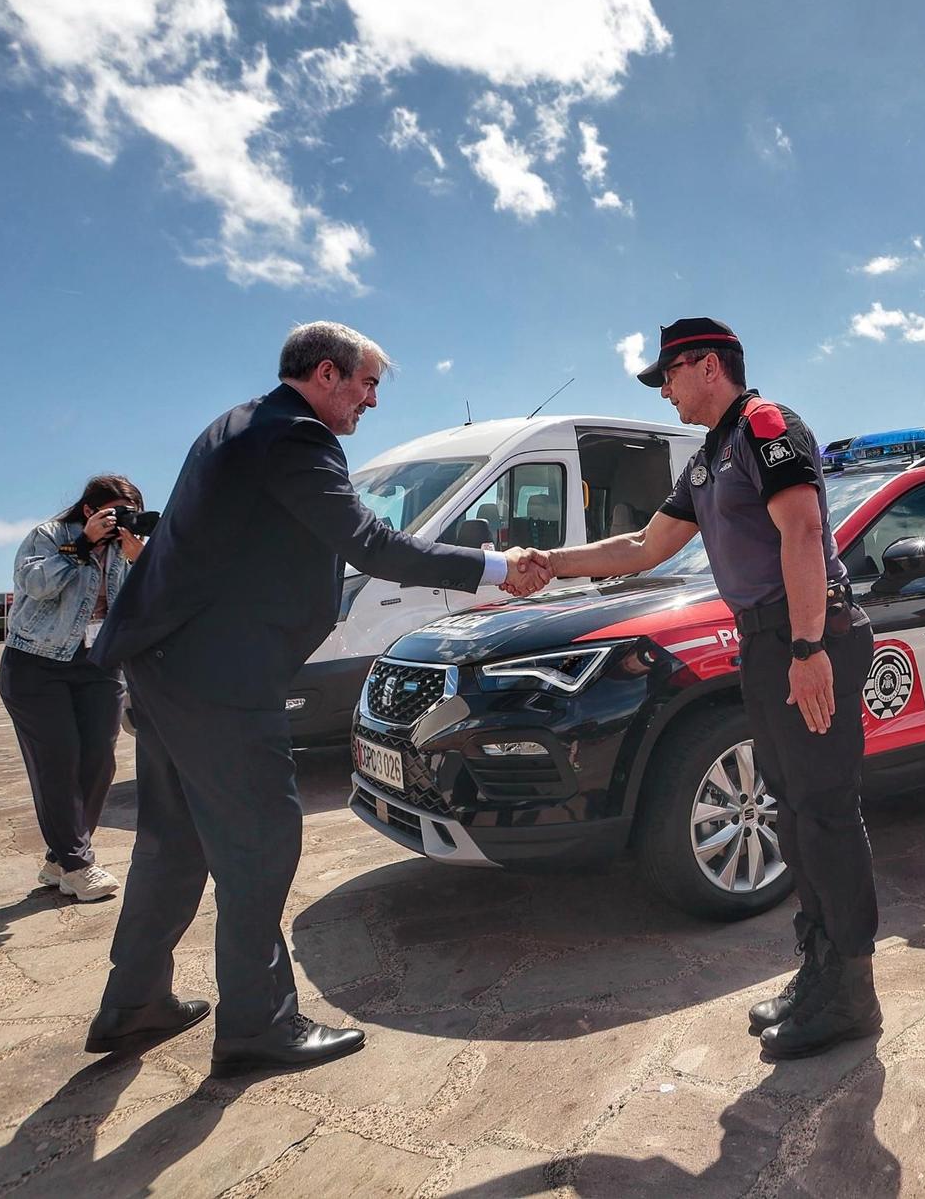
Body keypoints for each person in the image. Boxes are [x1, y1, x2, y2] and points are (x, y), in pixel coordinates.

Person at [84, 322, 546, 1073]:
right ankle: (257, 1026)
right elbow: (374, 544)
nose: (371, 399)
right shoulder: (296, 438)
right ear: (326, 374)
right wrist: (497, 565)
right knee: (262, 841)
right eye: (366, 383)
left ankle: (133, 1002)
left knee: (174, 841)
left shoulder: (236, 427)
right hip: (220, 677)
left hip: (169, 666)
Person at [526, 318, 881, 1060]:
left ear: (708, 366)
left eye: (668, 377)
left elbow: (804, 530)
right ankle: (818, 970)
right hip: (764, 641)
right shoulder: (711, 454)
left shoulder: (764, 424)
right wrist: (548, 562)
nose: (665, 393)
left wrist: (810, 646)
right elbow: (642, 546)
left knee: (825, 813)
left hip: (808, 635)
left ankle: (852, 992)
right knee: (791, 811)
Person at [0, 475, 147, 904]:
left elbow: (155, 597)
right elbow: (36, 585)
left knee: (99, 765)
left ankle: (59, 859)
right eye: (115, 511)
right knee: (57, 763)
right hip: (36, 664)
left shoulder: (126, 546)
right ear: (90, 509)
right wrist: (82, 545)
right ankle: (79, 865)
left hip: (99, 664)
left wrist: (141, 559)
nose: (121, 521)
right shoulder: (49, 536)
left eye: (129, 513)